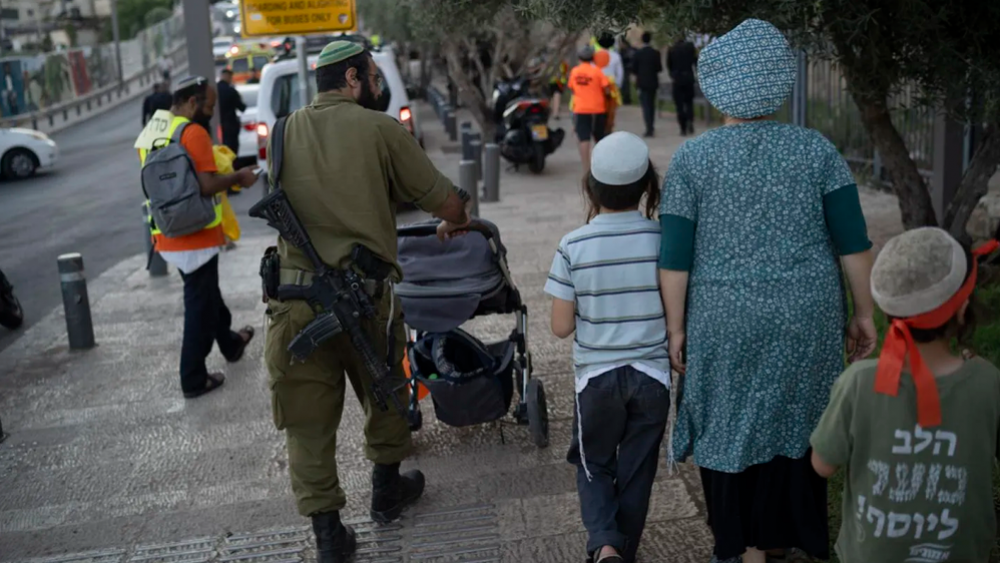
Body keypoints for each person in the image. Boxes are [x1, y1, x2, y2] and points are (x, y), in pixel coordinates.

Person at [657, 19, 878, 563]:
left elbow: (675, 258)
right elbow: (853, 242)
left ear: (717, 86)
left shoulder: (692, 160)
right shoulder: (817, 150)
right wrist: (865, 314)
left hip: (722, 316)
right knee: (799, 421)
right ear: (780, 81)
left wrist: (676, 327)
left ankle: (743, 547)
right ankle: (782, 540)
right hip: (807, 313)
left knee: (728, 422)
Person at [263, 41, 472, 563]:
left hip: (293, 303)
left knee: (307, 424)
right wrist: (456, 219)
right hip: (365, 300)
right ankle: (385, 491)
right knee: (386, 392)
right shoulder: (381, 130)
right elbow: (447, 202)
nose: (378, 86)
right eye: (374, 77)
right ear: (353, 78)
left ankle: (330, 538)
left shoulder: (284, 131)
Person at [810, 228, 1000, 563]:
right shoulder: (989, 383)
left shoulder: (858, 383)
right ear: (961, 309)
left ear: (888, 307)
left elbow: (822, 464)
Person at [545, 132, 669, 563]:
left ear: (590, 187)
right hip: (653, 378)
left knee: (594, 463)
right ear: (645, 186)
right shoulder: (662, 239)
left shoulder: (573, 245)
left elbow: (560, 327)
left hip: (596, 380)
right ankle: (624, 552)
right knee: (637, 474)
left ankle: (605, 544)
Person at [136, 76, 258, 399]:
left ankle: (231, 344)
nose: (212, 112)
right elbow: (206, 185)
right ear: (192, 103)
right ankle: (193, 377)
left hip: (167, 233)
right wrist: (239, 177)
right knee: (199, 308)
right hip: (197, 235)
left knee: (207, 296)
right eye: (209, 106)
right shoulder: (193, 133)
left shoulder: (152, 130)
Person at [568, 47, 611, 174]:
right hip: (598, 109)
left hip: (581, 109)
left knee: (584, 138)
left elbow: (572, 88)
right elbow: (607, 89)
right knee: (599, 137)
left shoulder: (575, 71)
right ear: (593, 58)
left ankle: (586, 169)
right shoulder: (597, 71)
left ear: (579, 58)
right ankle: (600, 165)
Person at [632, 33, 662, 138]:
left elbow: (634, 69)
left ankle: (648, 127)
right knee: (651, 105)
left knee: (645, 106)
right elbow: (659, 68)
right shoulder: (655, 53)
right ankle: (651, 126)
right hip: (653, 82)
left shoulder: (638, 53)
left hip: (642, 83)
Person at [666, 35, 697, 136]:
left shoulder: (672, 49)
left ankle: (682, 127)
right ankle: (690, 121)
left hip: (677, 79)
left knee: (679, 105)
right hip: (688, 77)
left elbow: (669, 65)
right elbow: (695, 61)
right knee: (689, 103)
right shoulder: (690, 47)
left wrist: (673, 75)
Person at [217, 69, 246, 156]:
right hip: (230, 126)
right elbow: (242, 108)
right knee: (232, 152)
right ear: (229, 77)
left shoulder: (214, 89)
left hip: (219, 126)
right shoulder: (231, 91)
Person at [619, 37, 636, 106]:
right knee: (625, 85)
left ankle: (626, 99)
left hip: (626, 69)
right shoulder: (627, 50)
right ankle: (625, 99)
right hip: (625, 69)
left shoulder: (628, 51)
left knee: (625, 85)